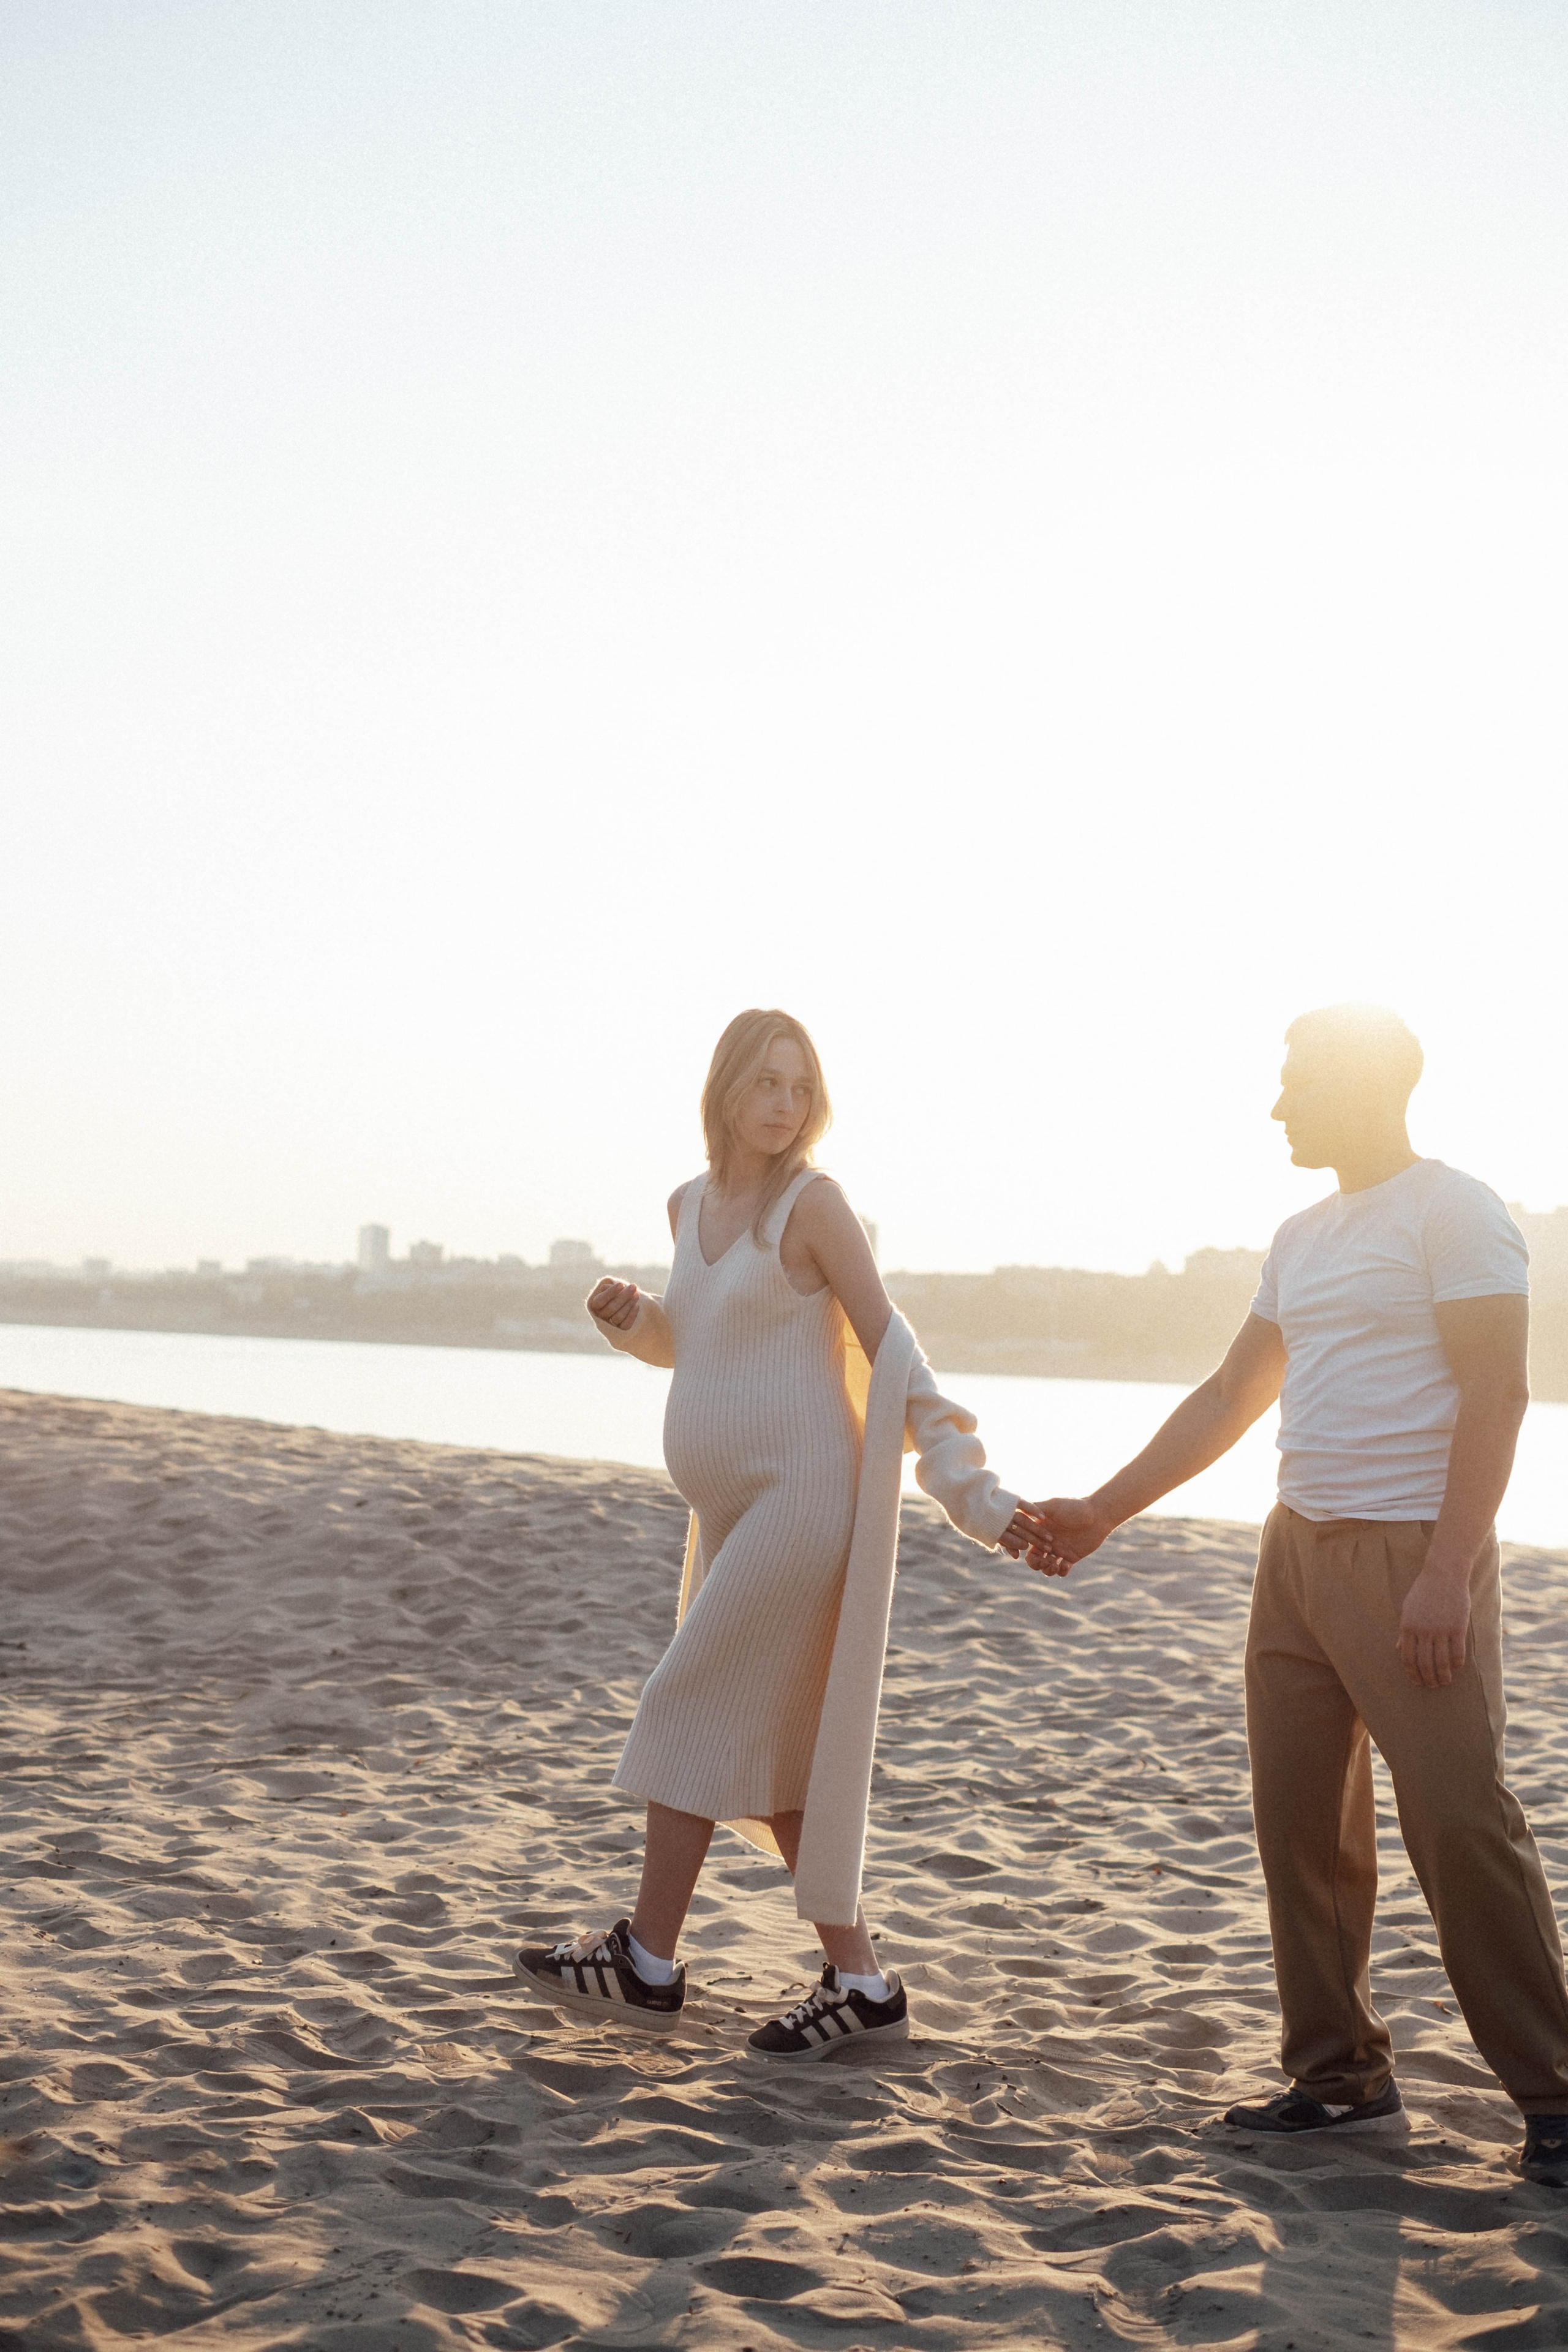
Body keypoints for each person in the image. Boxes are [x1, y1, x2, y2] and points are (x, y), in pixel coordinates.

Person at [1020, 1003, 1568, 2185]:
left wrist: (1442, 1571)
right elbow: (1231, 1392)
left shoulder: (1457, 1210)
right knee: (1301, 1830)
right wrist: (1106, 1508)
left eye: (1297, 1084)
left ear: (1365, 1085)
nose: (1278, 1107)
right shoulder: (1301, 1236)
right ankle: (1341, 2080)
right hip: (1295, 1556)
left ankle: (1560, 2098)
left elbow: (1499, 1394)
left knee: (1462, 1827)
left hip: (1414, 1554)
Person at [514, 1008, 1038, 2060]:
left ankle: (647, 1961)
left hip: (806, 1500)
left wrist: (973, 1492)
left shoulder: (815, 1206)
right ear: (725, 1090)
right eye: (767, 1082)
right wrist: (634, 1325)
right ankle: (860, 1981)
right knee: (774, 1756)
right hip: (729, 1511)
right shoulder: (687, 1203)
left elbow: (896, 1355)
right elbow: (696, 1345)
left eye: (800, 1086)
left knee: (685, 1699)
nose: (786, 1103)